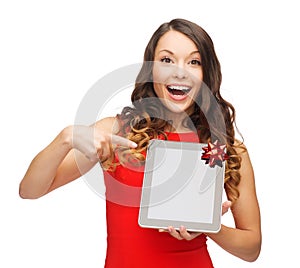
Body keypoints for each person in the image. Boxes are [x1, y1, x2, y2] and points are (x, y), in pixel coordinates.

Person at [19, 18, 261, 267]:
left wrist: (209, 226)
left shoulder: (226, 149)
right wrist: (65, 138)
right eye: (167, 60)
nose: (180, 71)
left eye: (194, 62)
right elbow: (29, 190)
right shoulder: (116, 133)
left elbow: (252, 248)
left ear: (206, 74)